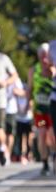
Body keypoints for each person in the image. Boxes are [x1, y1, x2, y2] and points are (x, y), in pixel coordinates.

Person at [27, 43, 55, 176]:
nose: (44, 60)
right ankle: (44, 163)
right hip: (40, 111)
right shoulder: (34, 70)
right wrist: (28, 103)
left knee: (52, 135)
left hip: (52, 109)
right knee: (42, 134)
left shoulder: (53, 69)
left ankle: (54, 156)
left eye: (46, 56)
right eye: (41, 57)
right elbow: (29, 88)